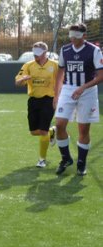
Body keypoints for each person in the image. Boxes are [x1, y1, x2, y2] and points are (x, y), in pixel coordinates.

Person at [54, 23, 103, 175]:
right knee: (59, 125)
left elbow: (101, 76)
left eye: (76, 36)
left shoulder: (94, 51)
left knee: (83, 128)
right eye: (71, 36)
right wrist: (57, 94)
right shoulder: (65, 50)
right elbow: (60, 73)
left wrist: (83, 87)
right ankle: (66, 158)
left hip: (87, 91)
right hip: (68, 89)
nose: (73, 39)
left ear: (84, 36)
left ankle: (81, 162)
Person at [15, 41, 58, 168]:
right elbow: (17, 81)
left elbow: (62, 81)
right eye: (34, 53)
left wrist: (58, 97)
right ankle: (52, 132)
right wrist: (22, 80)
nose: (35, 56)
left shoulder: (55, 65)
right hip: (33, 100)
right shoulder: (28, 65)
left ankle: (42, 159)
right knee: (34, 132)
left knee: (43, 131)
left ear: (45, 53)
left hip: (49, 100)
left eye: (38, 53)